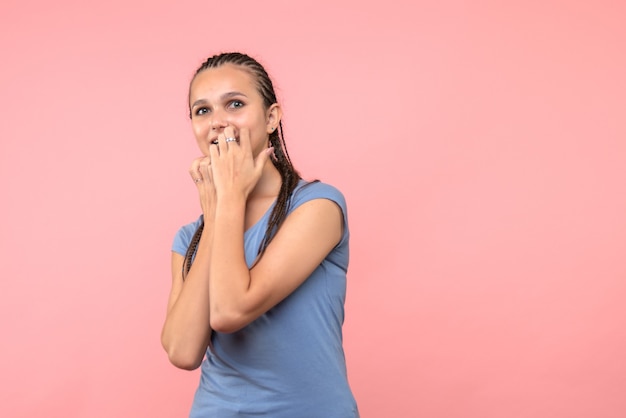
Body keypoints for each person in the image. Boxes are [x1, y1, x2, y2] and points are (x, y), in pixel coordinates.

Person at [161, 52, 359, 417]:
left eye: (235, 104)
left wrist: (229, 198)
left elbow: (230, 310)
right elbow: (183, 351)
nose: (218, 122)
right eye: (202, 111)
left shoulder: (317, 207)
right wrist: (216, 212)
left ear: (271, 118)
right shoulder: (189, 236)